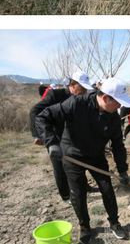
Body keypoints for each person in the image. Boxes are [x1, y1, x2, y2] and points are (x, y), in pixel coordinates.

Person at [36, 78, 130, 244]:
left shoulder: (114, 118)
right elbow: (43, 117)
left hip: (96, 156)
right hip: (72, 156)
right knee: (78, 194)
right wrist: (52, 143)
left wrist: (122, 170)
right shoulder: (76, 104)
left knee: (107, 189)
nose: (120, 107)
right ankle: (85, 227)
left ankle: (114, 223)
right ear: (105, 98)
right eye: (118, 103)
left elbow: (118, 145)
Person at [30, 71, 94, 203]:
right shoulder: (56, 95)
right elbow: (35, 111)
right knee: (59, 165)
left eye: (85, 89)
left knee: (78, 162)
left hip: (71, 135)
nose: (83, 91)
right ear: (73, 84)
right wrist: (38, 135)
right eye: (81, 88)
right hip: (55, 136)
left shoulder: (81, 98)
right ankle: (66, 195)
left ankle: (84, 186)